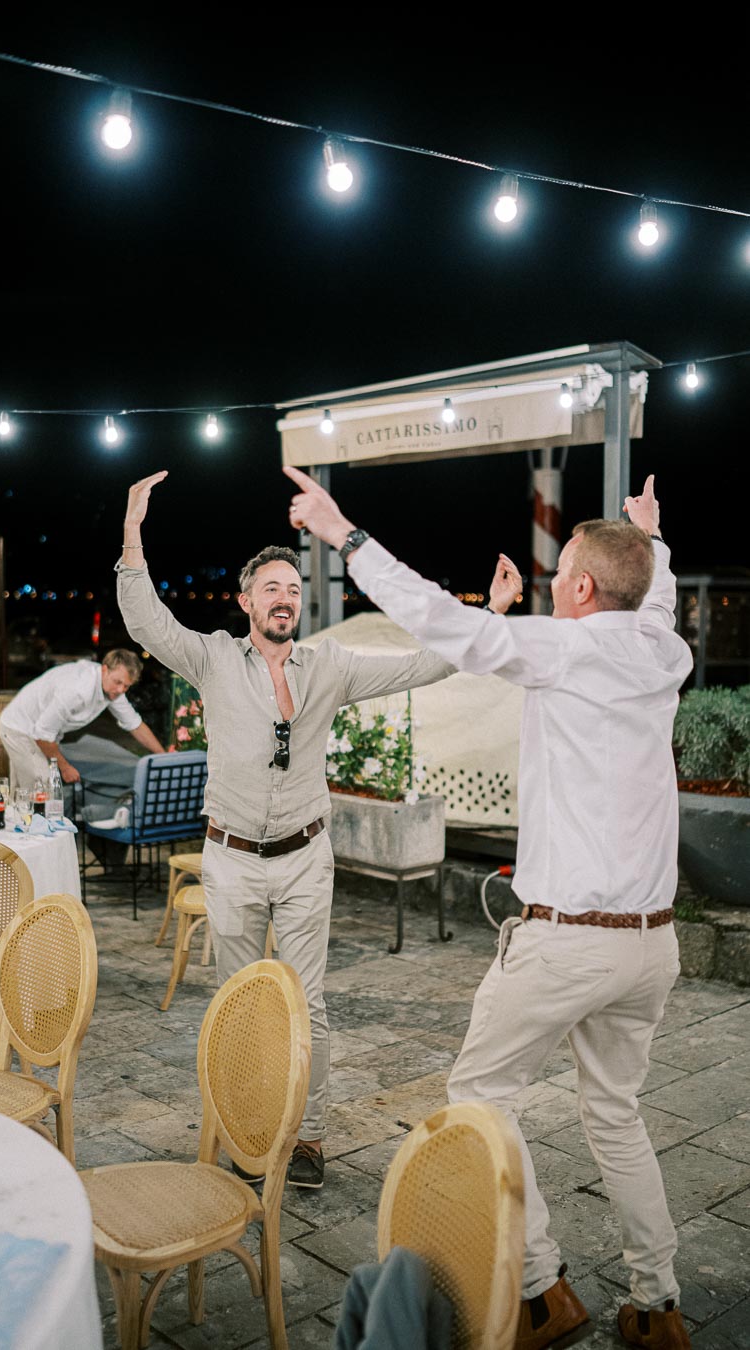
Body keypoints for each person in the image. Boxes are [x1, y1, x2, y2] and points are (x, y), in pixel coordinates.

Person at [284, 465, 693, 1350]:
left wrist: (344, 535)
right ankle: (657, 1308)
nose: (553, 585)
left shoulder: (567, 644)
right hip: (651, 946)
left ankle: (542, 1290)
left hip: (567, 944)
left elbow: (446, 621)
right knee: (616, 1114)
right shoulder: (663, 651)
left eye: (564, 573)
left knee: (478, 1094)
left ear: (582, 587)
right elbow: (651, 605)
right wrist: (652, 538)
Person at [117, 470, 522, 1191]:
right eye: (271, 588)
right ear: (245, 602)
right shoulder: (211, 657)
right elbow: (146, 622)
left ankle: (308, 1135)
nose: (286, 598)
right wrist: (133, 531)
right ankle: (245, 1126)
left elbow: (420, 666)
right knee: (240, 1001)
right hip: (232, 858)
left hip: (305, 857)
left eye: (294, 589)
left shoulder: (328, 666)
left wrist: (486, 614)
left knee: (310, 1003)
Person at [0, 649, 167, 793]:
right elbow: (42, 736)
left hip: (39, 730)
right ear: (104, 670)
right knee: (43, 791)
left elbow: (135, 725)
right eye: (118, 682)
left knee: (23, 794)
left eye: (127, 686)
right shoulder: (77, 691)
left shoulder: (114, 690)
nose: (121, 690)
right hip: (19, 728)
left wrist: (163, 756)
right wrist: (65, 768)